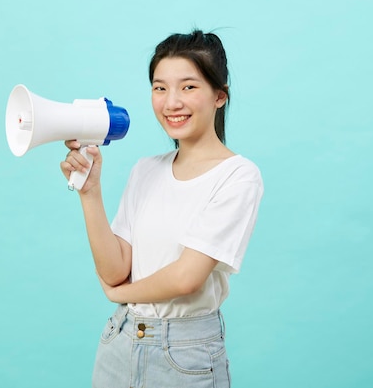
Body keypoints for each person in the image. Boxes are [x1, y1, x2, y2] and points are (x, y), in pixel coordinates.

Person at [60, 29, 264, 388]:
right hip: (118, 344)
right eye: (160, 87)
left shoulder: (238, 176)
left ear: (220, 96)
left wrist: (120, 295)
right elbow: (114, 269)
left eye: (188, 87)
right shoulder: (146, 169)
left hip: (184, 356)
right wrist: (90, 193)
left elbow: (186, 278)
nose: (171, 103)